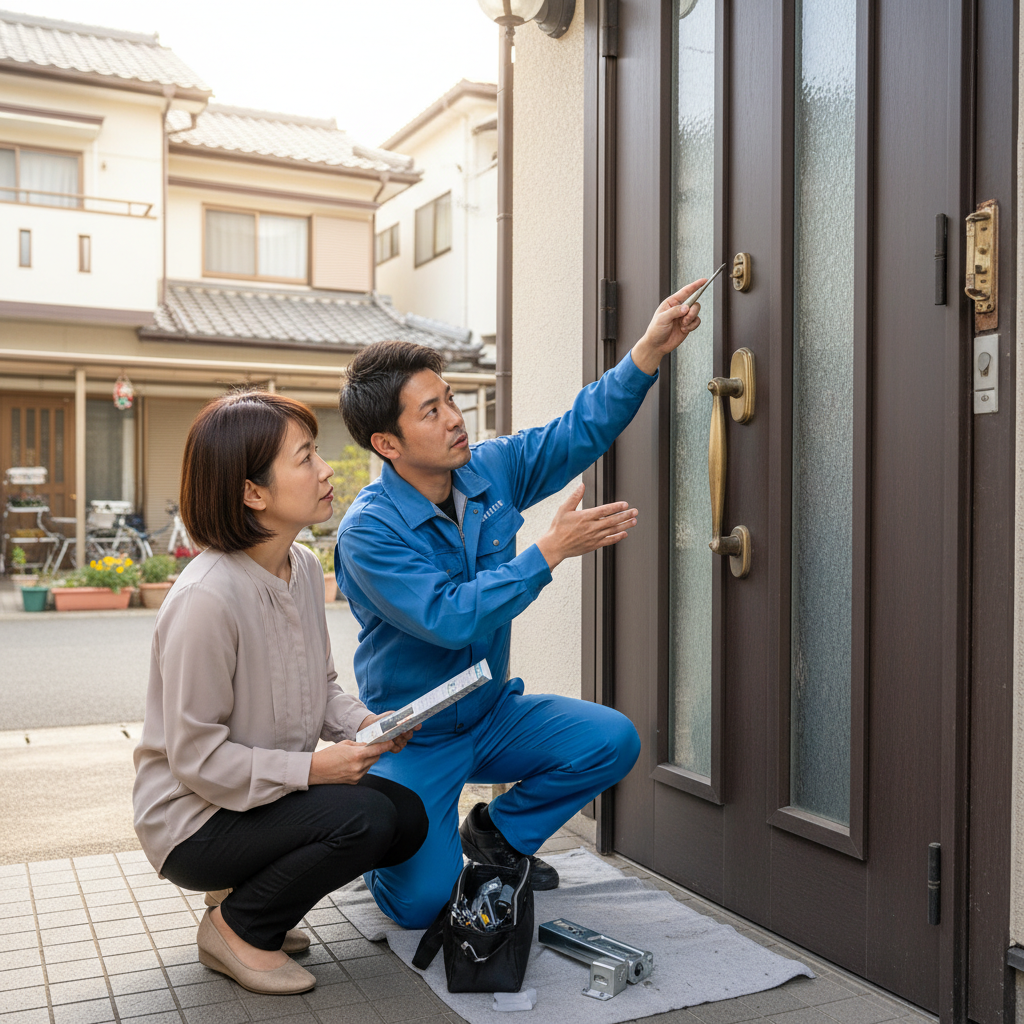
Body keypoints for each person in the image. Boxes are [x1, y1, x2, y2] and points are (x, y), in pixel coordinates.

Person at [335, 279, 705, 928]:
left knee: (611, 740)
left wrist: (647, 351)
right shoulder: (369, 531)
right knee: (424, 906)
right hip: (414, 740)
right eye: (430, 412)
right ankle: (389, 844)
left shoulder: (489, 468)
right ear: (386, 444)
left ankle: (496, 837)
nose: (455, 418)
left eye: (449, 400)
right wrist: (549, 551)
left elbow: (576, 432)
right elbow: (450, 618)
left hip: (490, 714)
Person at [132, 392, 427, 996]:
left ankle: (244, 897)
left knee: (406, 815)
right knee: (364, 818)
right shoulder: (207, 598)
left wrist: (368, 723)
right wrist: (316, 769)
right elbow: (197, 760)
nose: (325, 470)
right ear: (252, 492)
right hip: (194, 818)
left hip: (257, 799)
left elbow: (318, 689)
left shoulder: (298, 566)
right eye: (305, 457)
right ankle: (237, 927)